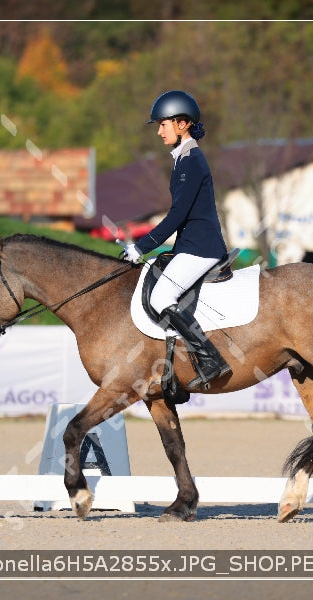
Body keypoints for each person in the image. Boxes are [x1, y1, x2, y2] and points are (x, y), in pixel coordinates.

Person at [121, 90, 231, 390]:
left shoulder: (191, 160)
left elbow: (178, 215)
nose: (159, 131)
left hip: (201, 248)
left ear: (182, 124)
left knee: (160, 298)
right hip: (191, 246)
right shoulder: (183, 158)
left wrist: (141, 247)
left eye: (163, 125)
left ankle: (210, 358)